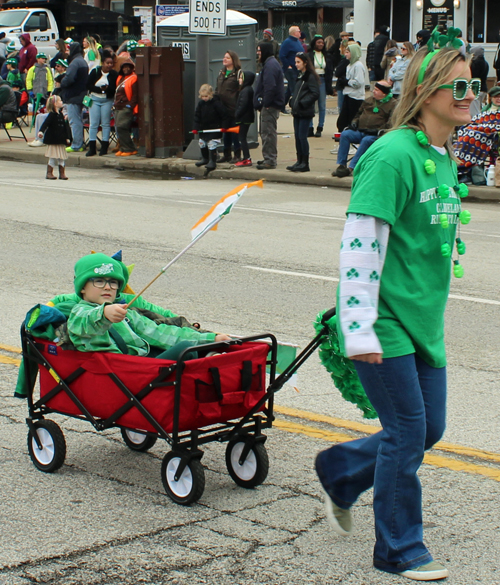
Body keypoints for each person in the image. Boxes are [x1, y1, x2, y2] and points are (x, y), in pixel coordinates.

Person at [316, 41, 475, 582]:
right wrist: (358, 329)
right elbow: (359, 247)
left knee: (430, 428)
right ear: (425, 92)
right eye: (458, 85)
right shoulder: (391, 156)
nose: (468, 94)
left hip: (423, 320)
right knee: (407, 432)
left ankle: (342, 469)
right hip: (382, 319)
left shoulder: (443, 155)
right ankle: (399, 548)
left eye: (472, 84)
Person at [67, 254, 230, 359]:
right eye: (99, 281)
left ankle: (208, 358)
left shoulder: (127, 314)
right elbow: (86, 325)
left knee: (188, 349)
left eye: (113, 282)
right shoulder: (79, 312)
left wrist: (210, 338)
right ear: (82, 287)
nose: (108, 287)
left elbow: (160, 333)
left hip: (142, 364)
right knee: (185, 350)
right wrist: (104, 313)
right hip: (120, 374)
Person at [332, 80, 396, 177]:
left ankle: (351, 168)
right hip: (361, 130)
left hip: (376, 134)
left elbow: (391, 123)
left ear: (384, 93)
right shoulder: (369, 100)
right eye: (374, 89)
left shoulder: (393, 104)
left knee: (366, 140)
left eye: (377, 90)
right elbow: (358, 114)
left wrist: (378, 130)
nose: (373, 91)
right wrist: (354, 122)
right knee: (345, 135)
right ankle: (341, 165)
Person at [253, 42, 285, 170]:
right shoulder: (270, 64)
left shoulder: (270, 66)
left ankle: (270, 160)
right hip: (269, 105)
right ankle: (267, 157)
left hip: (270, 106)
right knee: (265, 132)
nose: (258, 53)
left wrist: (266, 103)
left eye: (260, 50)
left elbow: (270, 86)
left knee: (268, 133)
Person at [453, 82, 499, 172]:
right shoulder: (485, 110)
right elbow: (474, 121)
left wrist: (480, 128)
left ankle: (463, 166)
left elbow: (496, 126)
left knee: (471, 135)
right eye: (496, 97)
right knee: (465, 132)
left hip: (492, 135)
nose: (498, 99)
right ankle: (457, 162)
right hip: (479, 132)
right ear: (491, 98)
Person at [286, 53, 319, 173]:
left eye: (298, 62)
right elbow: (297, 91)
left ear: (305, 62)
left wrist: (302, 103)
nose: (296, 65)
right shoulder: (300, 76)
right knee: (297, 137)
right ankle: (299, 160)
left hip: (304, 111)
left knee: (302, 136)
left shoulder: (310, 76)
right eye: (295, 62)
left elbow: (315, 93)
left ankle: (305, 162)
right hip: (297, 111)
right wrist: (292, 101)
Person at [85, 50, 118, 157]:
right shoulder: (95, 72)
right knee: (93, 124)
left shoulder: (114, 74)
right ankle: (92, 147)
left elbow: (114, 88)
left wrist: (107, 90)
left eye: (111, 63)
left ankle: (104, 147)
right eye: (107, 63)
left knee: (105, 123)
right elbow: (88, 85)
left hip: (107, 101)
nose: (109, 65)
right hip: (95, 100)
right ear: (102, 63)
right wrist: (101, 90)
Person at [60, 42, 89, 153]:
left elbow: (69, 78)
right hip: (81, 94)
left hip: (73, 95)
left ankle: (77, 145)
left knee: (74, 121)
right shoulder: (82, 61)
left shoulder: (74, 63)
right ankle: (79, 143)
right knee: (78, 120)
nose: (67, 52)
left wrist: (62, 82)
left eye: (68, 50)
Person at [193, 83, 228, 171]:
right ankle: (205, 158)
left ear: (211, 94)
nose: (204, 98)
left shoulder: (216, 104)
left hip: (215, 128)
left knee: (212, 144)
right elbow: (197, 116)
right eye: (203, 96)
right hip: (204, 128)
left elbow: (224, 115)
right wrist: (196, 128)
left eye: (206, 96)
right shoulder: (201, 104)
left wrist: (224, 127)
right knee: (202, 143)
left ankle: (213, 160)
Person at [215, 50, 242, 163]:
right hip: (223, 108)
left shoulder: (238, 73)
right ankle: (227, 154)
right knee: (225, 132)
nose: (224, 59)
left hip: (233, 107)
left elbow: (240, 89)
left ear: (233, 60)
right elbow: (218, 89)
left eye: (228, 58)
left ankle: (237, 154)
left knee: (234, 133)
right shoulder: (221, 73)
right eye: (224, 57)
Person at [38, 95, 71, 180]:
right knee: (53, 156)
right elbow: (45, 124)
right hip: (53, 140)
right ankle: (49, 173)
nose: (61, 102)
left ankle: (62, 173)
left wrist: (67, 137)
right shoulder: (52, 115)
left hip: (60, 140)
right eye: (60, 101)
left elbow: (65, 127)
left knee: (61, 157)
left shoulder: (60, 114)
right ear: (55, 104)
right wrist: (41, 131)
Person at [336, 43, 367, 132]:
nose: (346, 54)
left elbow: (359, 82)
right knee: (342, 121)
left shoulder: (358, 65)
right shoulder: (349, 65)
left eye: (348, 52)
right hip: (348, 95)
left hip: (356, 97)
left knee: (352, 119)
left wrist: (347, 82)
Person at [307, 35, 333, 138]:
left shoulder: (326, 56)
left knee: (322, 105)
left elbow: (329, 71)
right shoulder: (309, 55)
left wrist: (329, 86)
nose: (321, 44)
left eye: (322, 43)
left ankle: (320, 127)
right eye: (318, 42)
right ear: (314, 43)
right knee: (311, 104)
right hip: (312, 80)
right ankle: (310, 127)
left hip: (322, 80)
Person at [113, 58, 138, 157]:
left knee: (122, 126)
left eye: (128, 67)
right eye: (124, 67)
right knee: (119, 128)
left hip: (126, 107)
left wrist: (130, 105)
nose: (126, 69)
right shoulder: (120, 78)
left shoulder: (134, 78)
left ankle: (129, 148)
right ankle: (124, 147)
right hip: (118, 106)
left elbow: (135, 95)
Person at [234, 70, 255, 167]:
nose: (239, 79)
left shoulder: (246, 91)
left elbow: (243, 104)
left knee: (242, 138)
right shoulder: (247, 90)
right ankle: (246, 157)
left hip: (244, 118)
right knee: (242, 137)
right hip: (247, 118)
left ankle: (247, 158)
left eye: (241, 77)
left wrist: (237, 114)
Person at [279, 26, 303, 108]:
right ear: (294, 33)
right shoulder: (287, 42)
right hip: (291, 69)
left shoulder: (298, 42)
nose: (300, 32)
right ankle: (296, 106)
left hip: (298, 68)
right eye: (298, 31)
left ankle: (282, 106)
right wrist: (288, 66)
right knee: (294, 88)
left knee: (290, 89)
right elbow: (282, 55)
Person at [469, 46, 489, 117]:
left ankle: (476, 123)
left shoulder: (476, 63)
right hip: (483, 88)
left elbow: (473, 76)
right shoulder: (485, 63)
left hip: (476, 88)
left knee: (474, 110)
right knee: (479, 107)